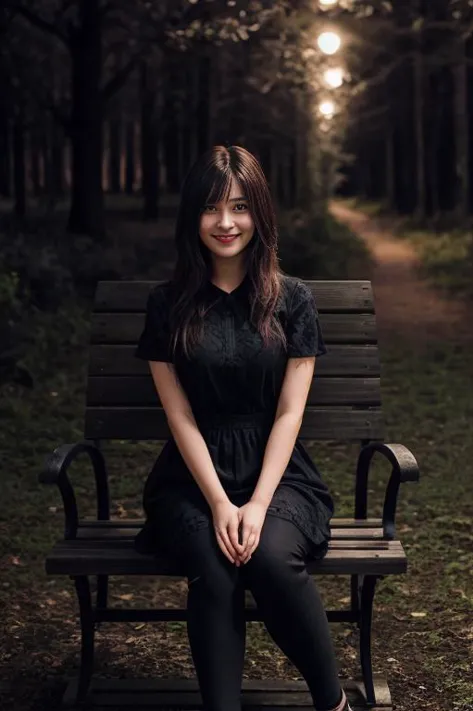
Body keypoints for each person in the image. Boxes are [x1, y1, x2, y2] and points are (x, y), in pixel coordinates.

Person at [134, 145, 353, 711]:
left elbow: (289, 412)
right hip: (191, 478)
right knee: (214, 560)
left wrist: (255, 505)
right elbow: (178, 414)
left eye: (238, 206)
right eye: (211, 208)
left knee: (268, 556)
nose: (226, 223)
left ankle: (332, 703)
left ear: (259, 211)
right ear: (193, 217)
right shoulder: (168, 305)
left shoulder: (292, 300)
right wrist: (217, 502)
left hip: (278, 477)